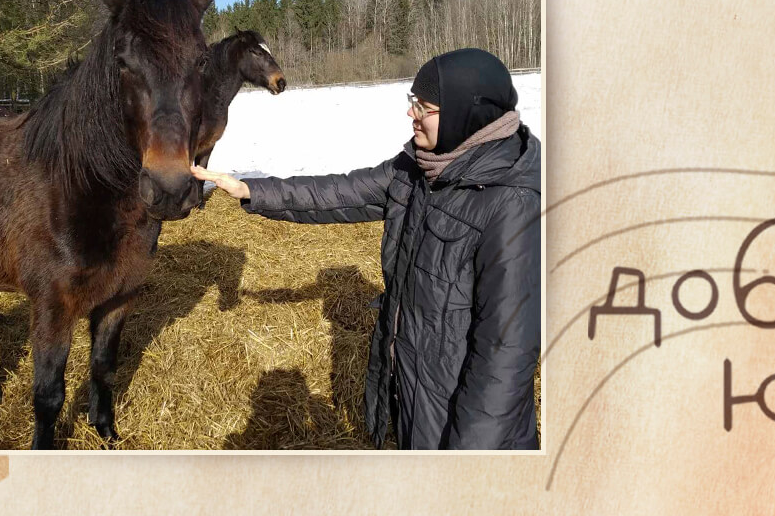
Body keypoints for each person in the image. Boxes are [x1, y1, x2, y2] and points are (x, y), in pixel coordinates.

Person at [191, 48, 541, 449]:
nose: (412, 114)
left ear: (466, 113)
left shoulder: (511, 203)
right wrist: (251, 189)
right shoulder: (420, 167)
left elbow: (505, 357)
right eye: (413, 103)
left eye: (423, 107)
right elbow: (338, 193)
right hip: (412, 386)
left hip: (463, 418)